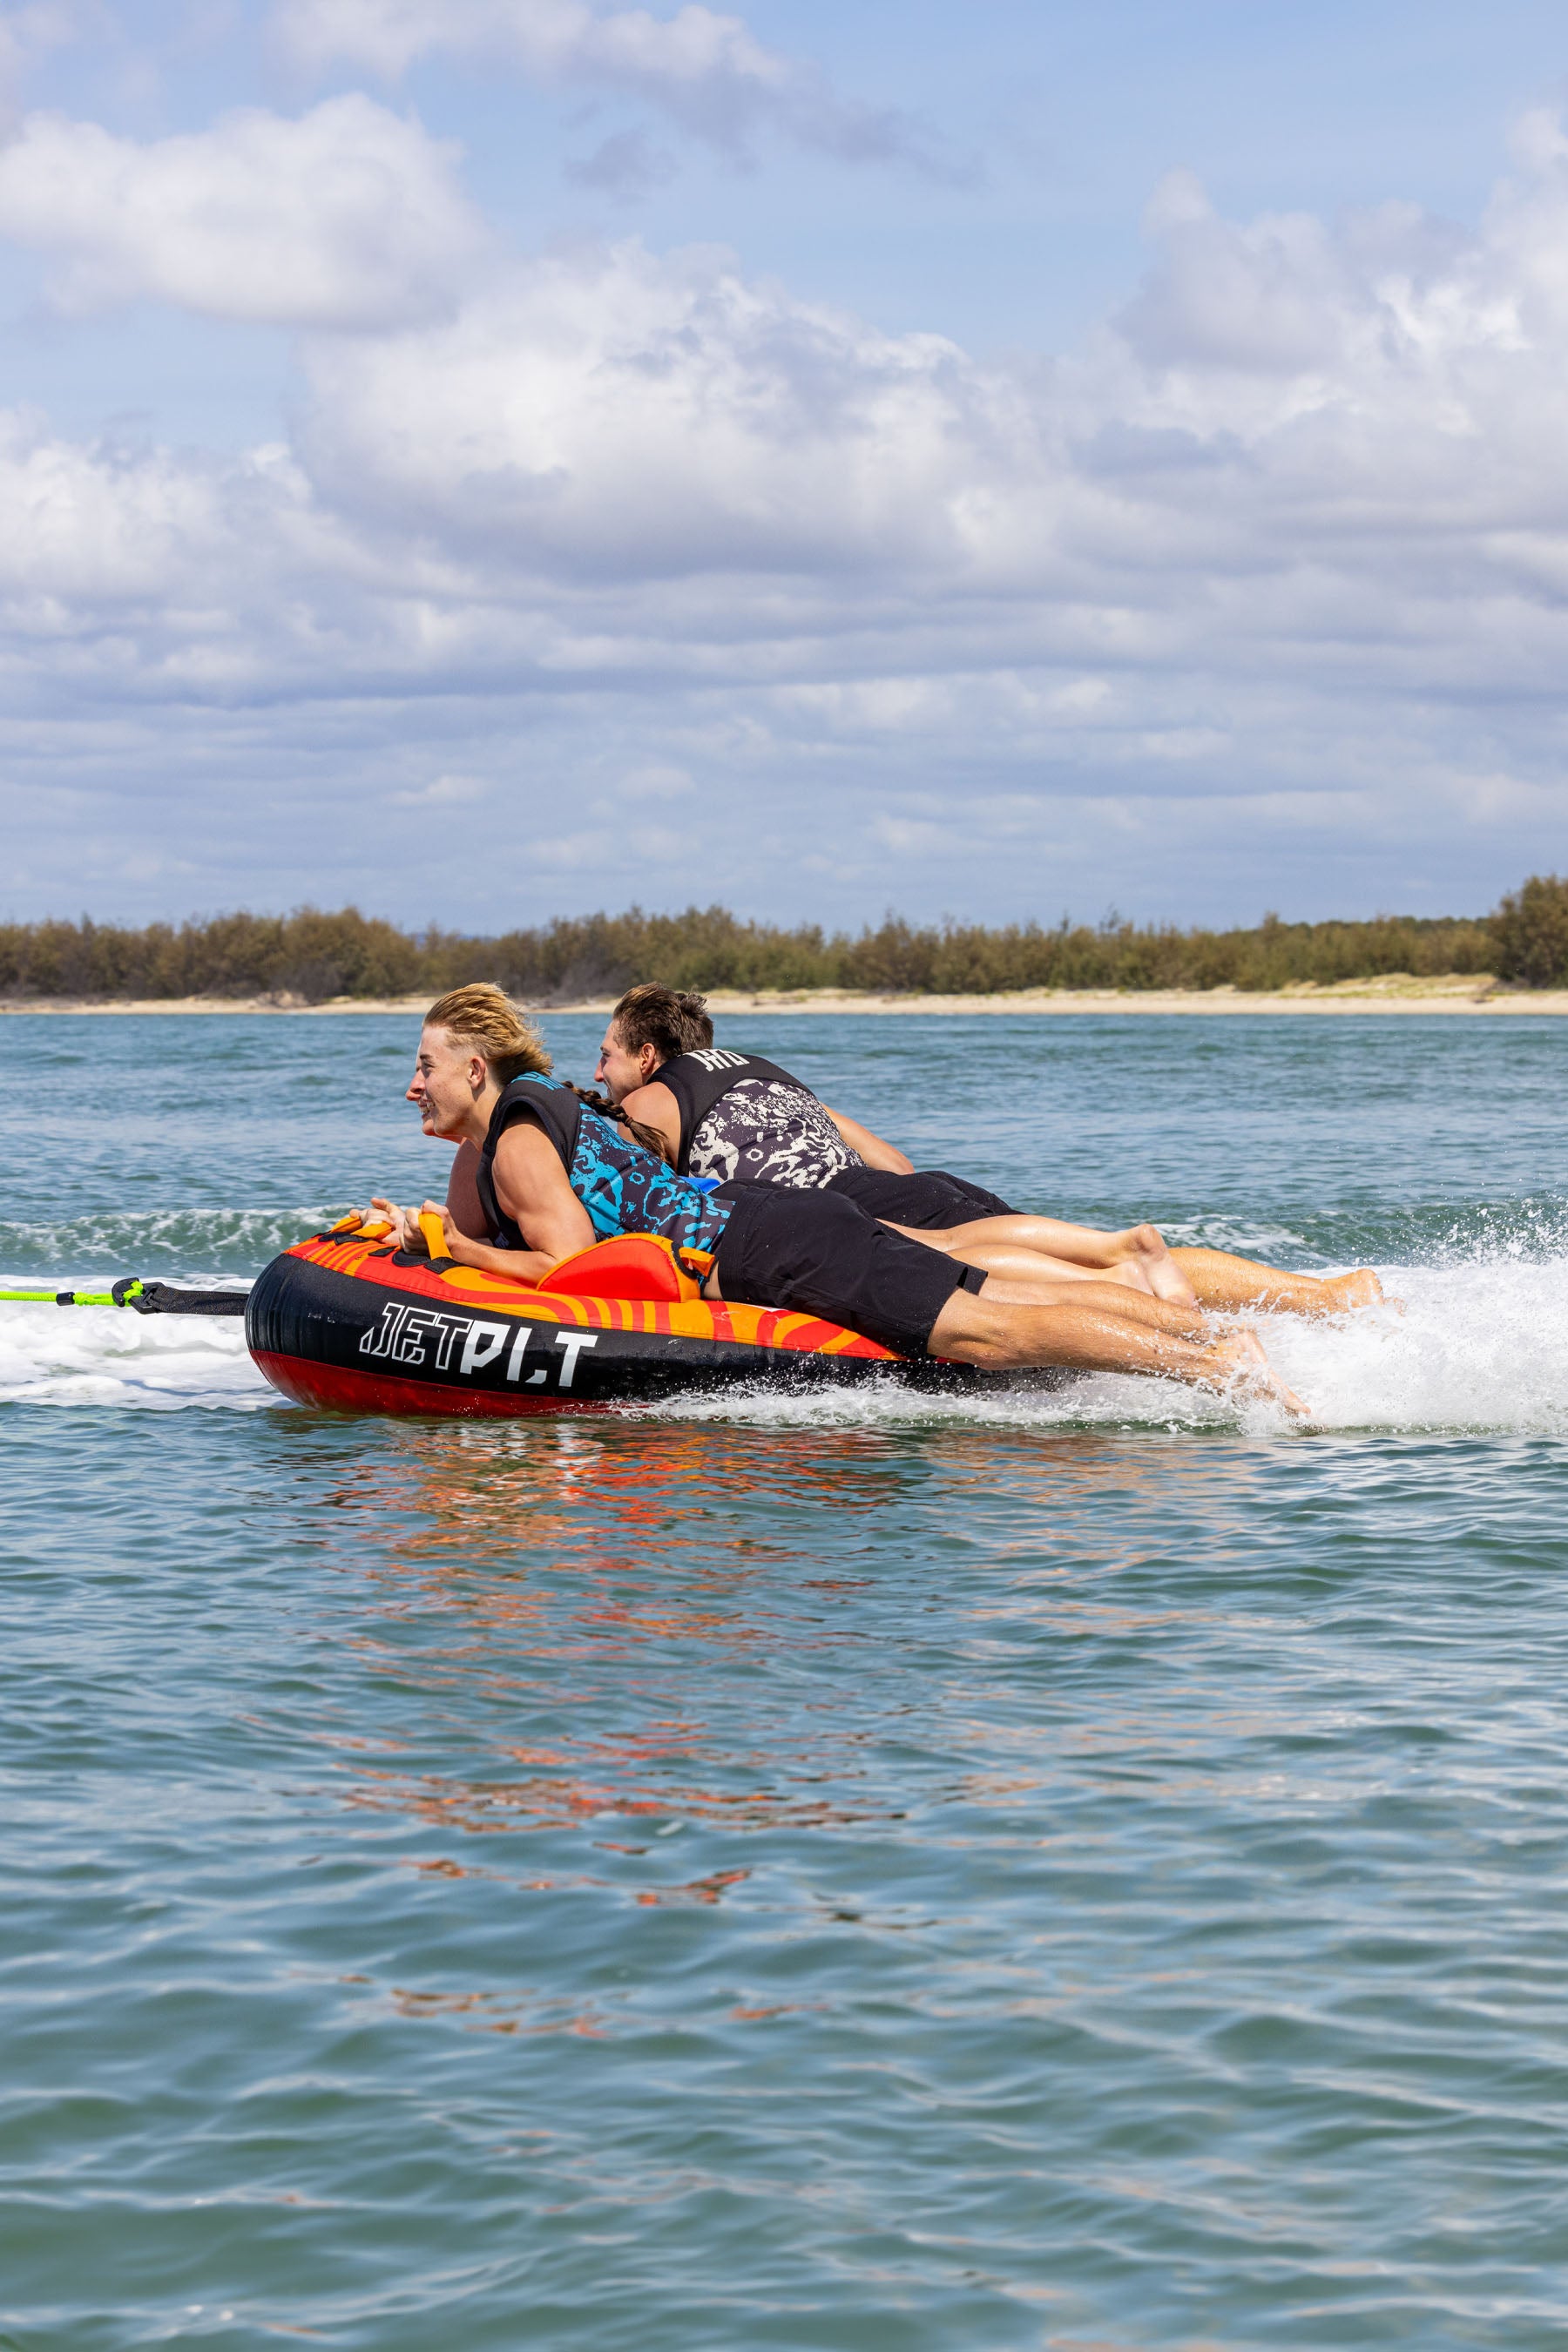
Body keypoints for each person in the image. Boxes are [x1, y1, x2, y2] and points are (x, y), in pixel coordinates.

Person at [370, 983, 1308, 1414]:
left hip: (762, 1243)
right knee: (1001, 1295)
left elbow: (578, 1267)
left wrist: (458, 1251)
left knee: (990, 1331)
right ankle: (1204, 1339)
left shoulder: (524, 1142)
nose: (412, 1085)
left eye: (423, 1067)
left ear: (478, 1069)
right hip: (779, 1224)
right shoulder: (530, 1125)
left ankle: (1215, 1364)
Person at [592, 983, 1388, 1321]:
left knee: (1096, 1280)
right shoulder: (765, 1074)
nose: (600, 1073)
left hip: (852, 1214)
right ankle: (1324, 1298)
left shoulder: (653, 1100)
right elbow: (894, 1163)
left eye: (608, 1056)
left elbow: (654, 1204)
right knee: (1106, 1264)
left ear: (650, 1057)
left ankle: (1210, 1336)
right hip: (921, 1190)